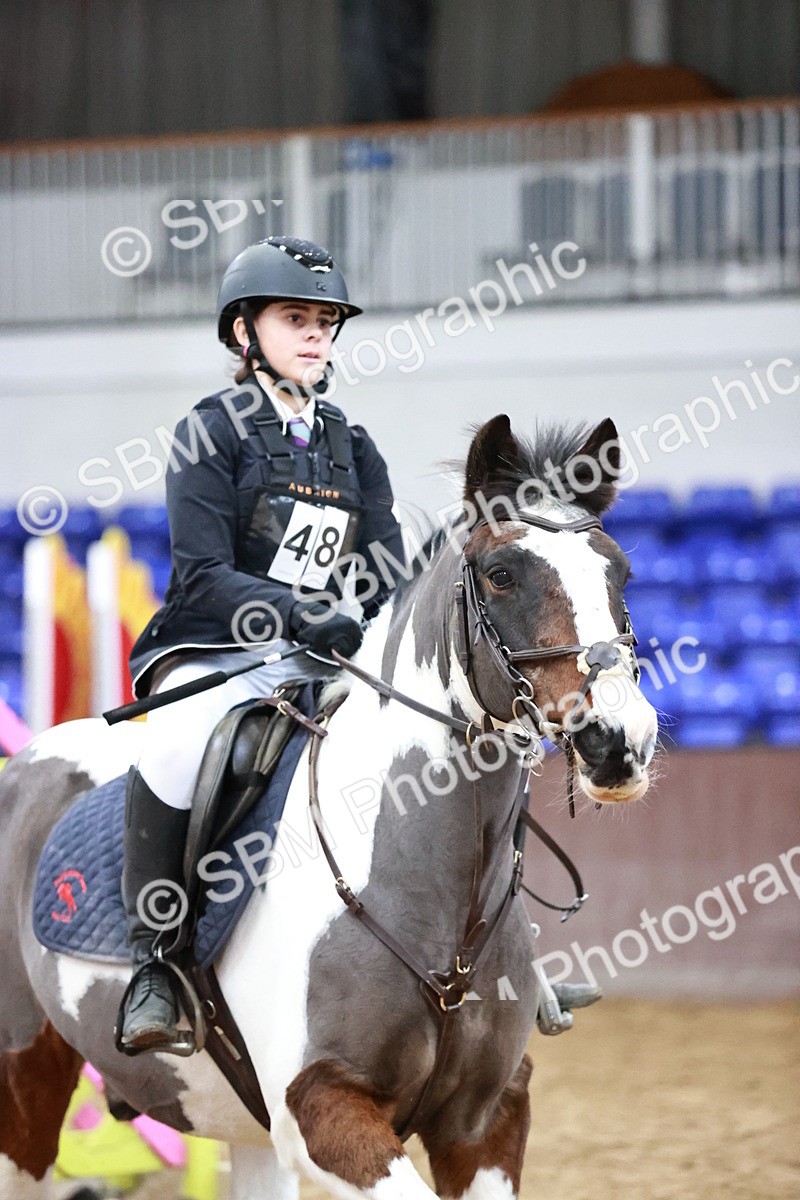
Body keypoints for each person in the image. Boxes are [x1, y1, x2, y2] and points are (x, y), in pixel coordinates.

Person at [119, 236, 405, 1055]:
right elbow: (201, 574)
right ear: (245, 333)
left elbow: (382, 569)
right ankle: (154, 963)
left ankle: (495, 950)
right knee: (174, 746)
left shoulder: (353, 446)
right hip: (213, 651)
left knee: (435, 737)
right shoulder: (209, 431)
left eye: (325, 321)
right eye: (295, 319)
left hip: (317, 659)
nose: (316, 334)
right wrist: (294, 613)